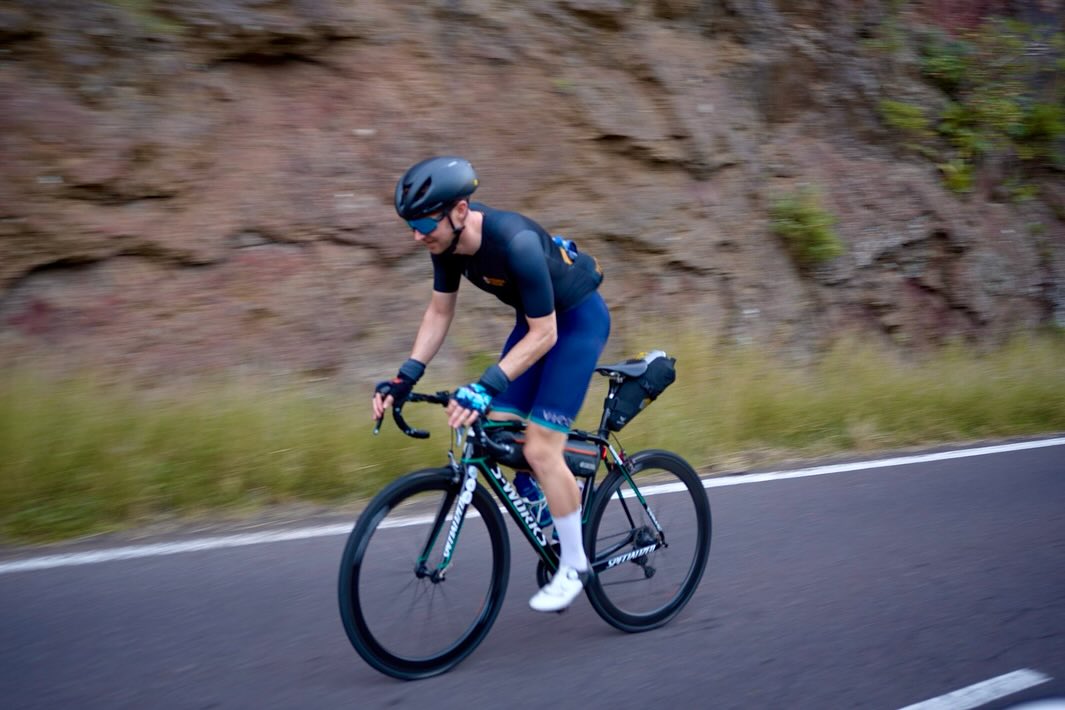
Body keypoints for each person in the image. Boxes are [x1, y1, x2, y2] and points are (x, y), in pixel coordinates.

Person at [371, 156, 610, 612]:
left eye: (423, 223)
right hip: (536, 323)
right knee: (498, 432)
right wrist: (406, 375)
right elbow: (440, 312)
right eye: (410, 225)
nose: (417, 235)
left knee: (540, 448)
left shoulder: (514, 242)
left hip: (575, 324)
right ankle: (551, 498)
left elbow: (548, 335)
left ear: (459, 210)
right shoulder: (445, 245)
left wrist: (483, 385)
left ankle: (575, 563)